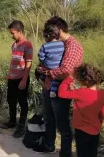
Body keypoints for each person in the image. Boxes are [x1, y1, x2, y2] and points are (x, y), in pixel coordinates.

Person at [33, 16, 83, 157]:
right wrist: (41, 70)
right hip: (50, 87)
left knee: (62, 124)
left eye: (52, 32)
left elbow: (66, 70)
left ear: (58, 30)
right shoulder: (61, 45)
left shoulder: (72, 46)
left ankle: (66, 152)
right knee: (49, 118)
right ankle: (49, 145)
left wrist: (47, 71)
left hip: (62, 90)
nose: (50, 37)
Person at [58, 63, 104, 157]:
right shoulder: (103, 94)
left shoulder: (81, 92)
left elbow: (61, 93)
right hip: (95, 130)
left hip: (81, 130)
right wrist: (98, 124)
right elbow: (102, 113)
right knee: (92, 153)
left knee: (82, 153)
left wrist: (70, 78)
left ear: (84, 81)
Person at [0, 20, 33, 138]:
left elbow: (28, 64)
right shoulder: (14, 45)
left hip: (21, 78)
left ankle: (21, 126)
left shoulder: (27, 44)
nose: (11, 35)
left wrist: (24, 80)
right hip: (12, 78)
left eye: (13, 33)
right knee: (11, 100)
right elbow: (14, 61)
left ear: (19, 31)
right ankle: (12, 121)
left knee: (22, 102)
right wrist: (9, 75)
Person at [36, 27, 65, 97]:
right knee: (55, 79)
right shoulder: (62, 44)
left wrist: (43, 61)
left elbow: (40, 55)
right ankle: (53, 91)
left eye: (44, 36)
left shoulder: (45, 46)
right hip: (58, 67)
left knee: (43, 74)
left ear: (48, 36)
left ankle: (45, 84)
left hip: (48, 66)